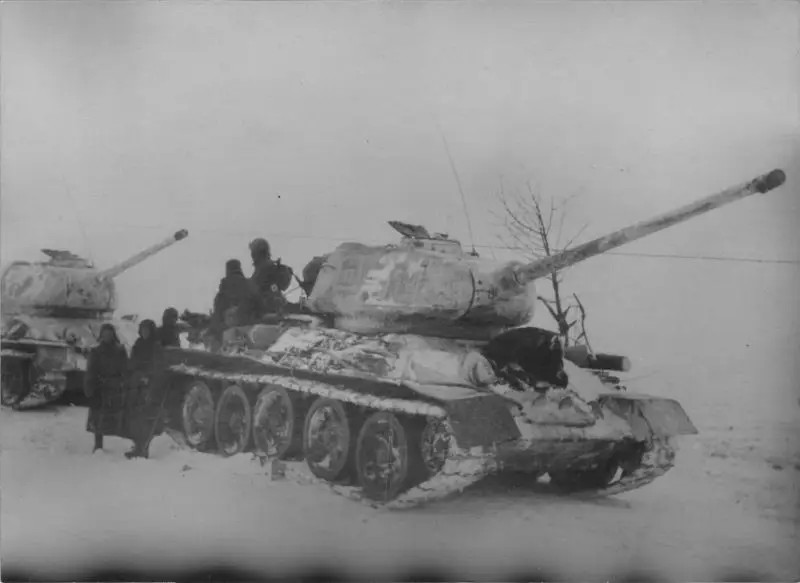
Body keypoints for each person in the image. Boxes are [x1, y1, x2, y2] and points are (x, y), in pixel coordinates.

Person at [123, 319, 167, 459]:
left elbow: (158, 366)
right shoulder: (138, 344)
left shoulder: (156, 346)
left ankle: (143, 448)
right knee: (134, 417)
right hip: (136, 384)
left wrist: (148, 376)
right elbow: (132, 362)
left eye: (147, 330)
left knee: (146, 418)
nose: (145, 333)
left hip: (149, 386)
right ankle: (137, 446)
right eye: (142, 330)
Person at [84, 323, 128, 453]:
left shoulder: (120, 350)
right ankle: (98, 444)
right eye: (105, 334)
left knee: (116, 416)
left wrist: (124, 382)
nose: (107, 336)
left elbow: (125, 368)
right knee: (98, 416)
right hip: (100, 386)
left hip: (115, 386)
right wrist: (89, 387)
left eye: (109, 334)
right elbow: (91, 370)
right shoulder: (96, 351)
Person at [212, 259, 264, 334]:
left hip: (231, 331)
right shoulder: (250, 284)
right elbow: (260, 304)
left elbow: (217, 312)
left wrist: (216, 329)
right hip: (253, 326)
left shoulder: (224, 288)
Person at [249, 238, 293, 313]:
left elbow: (256, 285)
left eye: (252, 252)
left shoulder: (263, 267)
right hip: (276, 305)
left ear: (255, 253)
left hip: (264, 307)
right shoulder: (270, 265)